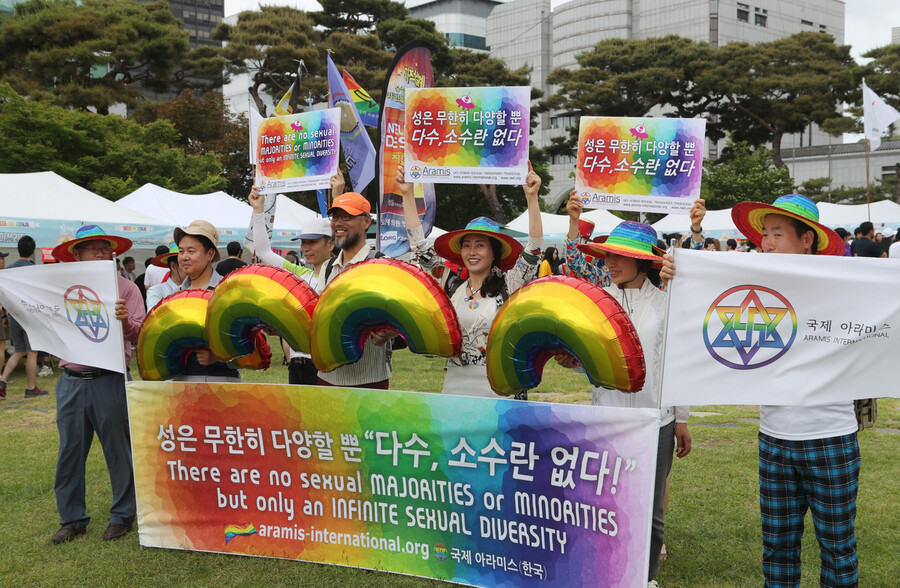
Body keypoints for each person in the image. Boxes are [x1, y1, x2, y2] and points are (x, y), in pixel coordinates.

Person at [730, 194, 860, 586]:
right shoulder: (751, 284)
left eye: (777, 233)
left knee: (837, 547)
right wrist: (678, 270)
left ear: (808, 240)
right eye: (764, 234)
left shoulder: (846, 287)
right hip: (774, 436)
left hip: (831, 435)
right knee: (778, 545)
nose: (766, 243)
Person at [559, 192, 687, 587]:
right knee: (604, 503)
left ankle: (645, 578)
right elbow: (590, 353)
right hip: (606, 416)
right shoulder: (598, 301)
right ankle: (607, 573)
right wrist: (571, 357)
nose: (609, 261)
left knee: (650, 509)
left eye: (617, 256)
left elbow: (675, 364)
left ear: (642, 262)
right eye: (607, 255)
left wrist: (681, 418)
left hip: (655, 421)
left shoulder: (668, 304)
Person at [397, 163, 543, 398]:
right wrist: (407, 194)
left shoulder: (509, 285)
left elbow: (534, 248)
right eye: (467, 245)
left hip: (500, 392)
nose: (472, 251)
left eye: (480, 245)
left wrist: (532, 198)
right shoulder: (451, 284)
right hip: (455, 389)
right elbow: (419, 246)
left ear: (494, 252)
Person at [48, 225, 145, 543]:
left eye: (106, 248)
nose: (102, 253)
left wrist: (125, 321)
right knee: (70, 452)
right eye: (93, 248)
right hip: (71, 381)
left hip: (110, 379)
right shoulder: (60, 289)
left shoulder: (125, 288)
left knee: (119, 450)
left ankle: (122, 515)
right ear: (76, 255)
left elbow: (140, 333)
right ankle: (72, 518)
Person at [246, 192, 335, 385]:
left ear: (331, 244)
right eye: (303, 242)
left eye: (313, 242)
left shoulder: (339, 279)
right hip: (296, 365)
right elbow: (263, 252)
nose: (306, 248)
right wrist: (258, 210)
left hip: (325, 367)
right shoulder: (300, 274)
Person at [173, 221, 240, 382]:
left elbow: (247, 342)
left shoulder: (227, 291)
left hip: (220, 380)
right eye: (181, 251)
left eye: (191, 251)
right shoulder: (176, 294)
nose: (184, 257)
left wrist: (218, 356)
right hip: (181, 382)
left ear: (210, 254)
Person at [0, 235, 45, 398]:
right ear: (33, 251)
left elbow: (3, 295)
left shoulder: (9, 269)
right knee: (32, 352)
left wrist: (5, 316)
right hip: (29, 315)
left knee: (19, 351)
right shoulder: (33, 269)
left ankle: (2, 381)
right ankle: (31, 387)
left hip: (13, 315)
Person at [145, 243, 184, 311]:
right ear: (173, 266)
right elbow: (154, 319)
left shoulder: (195, 288)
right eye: (185, 264)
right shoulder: (156, 292)